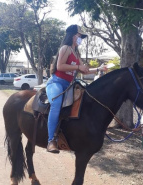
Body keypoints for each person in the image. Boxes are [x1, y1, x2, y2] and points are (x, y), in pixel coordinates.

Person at [46, 24, 107, 153]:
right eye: (79, 36)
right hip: (57, 83)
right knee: (56, 103)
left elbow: (84, 70)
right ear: (72, 36)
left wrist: (98, 69)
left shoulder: (76, 53)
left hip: (69, 85)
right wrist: (78, 67)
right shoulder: (66, 48)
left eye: (81, 37)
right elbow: (60, 66)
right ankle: (51, 140)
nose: (80, 39)